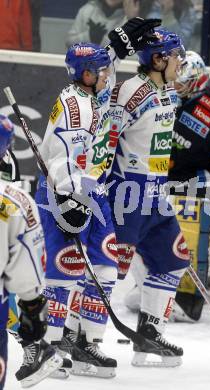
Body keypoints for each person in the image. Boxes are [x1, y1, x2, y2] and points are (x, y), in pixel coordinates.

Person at [35, 17, 161, 378]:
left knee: (105, 267)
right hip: (65, 197)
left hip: (96, 192)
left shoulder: (94, 90)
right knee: (64, 271)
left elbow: (105, 65)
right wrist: (71, 196)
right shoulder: (75, 108)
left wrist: (118, 45)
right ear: (87, 75)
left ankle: (87, 343)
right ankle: (52, 344)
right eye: (102, 71)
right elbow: (60, 160)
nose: (109, 75)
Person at [124, 51, 210, 323]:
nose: (173, 84)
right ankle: (156, 286)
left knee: (182, 242)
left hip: (197, 191)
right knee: (139, 236)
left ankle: (186, 301)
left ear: (196, 81)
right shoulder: (162, 98)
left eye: (180, 81)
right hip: (163, 181)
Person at [107, 28, 190, 368]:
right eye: (174, 56)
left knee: (173, 259)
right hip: (128, 195)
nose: (180, 62)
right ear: (157, 59)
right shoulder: (131, 91)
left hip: (156, 193)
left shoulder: (167, 91)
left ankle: (149, 334)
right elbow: (105, 137)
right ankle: (70, 336)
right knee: (106, 269)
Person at [0, 114, 63, 389]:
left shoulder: (8, 177)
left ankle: (34, 346)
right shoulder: (15, 198)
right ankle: (35, 344)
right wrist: (33, 307)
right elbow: (21, 271)